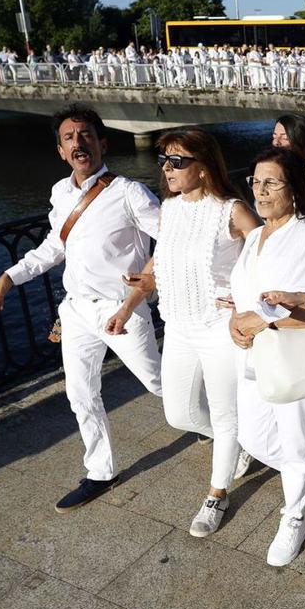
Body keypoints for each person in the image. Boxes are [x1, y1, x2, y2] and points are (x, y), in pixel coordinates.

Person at [0, 104, 163, 512]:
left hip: (122, 310)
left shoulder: (129, 192)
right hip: (77, 311)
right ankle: (101, 470)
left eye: (85, 136)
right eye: (69, 138)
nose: (78, 143)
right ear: (61, 151)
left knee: (159, 384)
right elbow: (55, 246)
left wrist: (148, 282)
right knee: (81, 394)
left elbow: (170, 237)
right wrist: (11, 276)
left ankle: (221, 428)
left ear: (102, 143)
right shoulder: (61, 193)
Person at [116, 128, 261, 537]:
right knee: (178, 413)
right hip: (177, 325)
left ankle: (218, 492)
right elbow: (159, 263)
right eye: (165, 159)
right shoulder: (169, 209)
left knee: (223, 410)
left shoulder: (231, 210)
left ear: (203, 167)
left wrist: (246, 301)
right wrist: (129, 305)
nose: (167, 167)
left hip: (218, 328)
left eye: (177, 161)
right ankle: (239, 443)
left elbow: (267, 252)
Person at [229, 147, 305, 567]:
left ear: (293, 188)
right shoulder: (256, 235)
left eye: (271, 182)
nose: (260, 191)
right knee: (254, 437)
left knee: (296, 440)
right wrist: (234, 323)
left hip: (294, 355)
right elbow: (241, 295)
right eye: (255, 182)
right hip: (255, 357)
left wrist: (263, 319)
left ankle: (294, 515)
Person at [272, 114, 305, 182]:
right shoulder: (274, 168)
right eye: (274, 136)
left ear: (302, 142)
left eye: (284, 138)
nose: (276, 142)